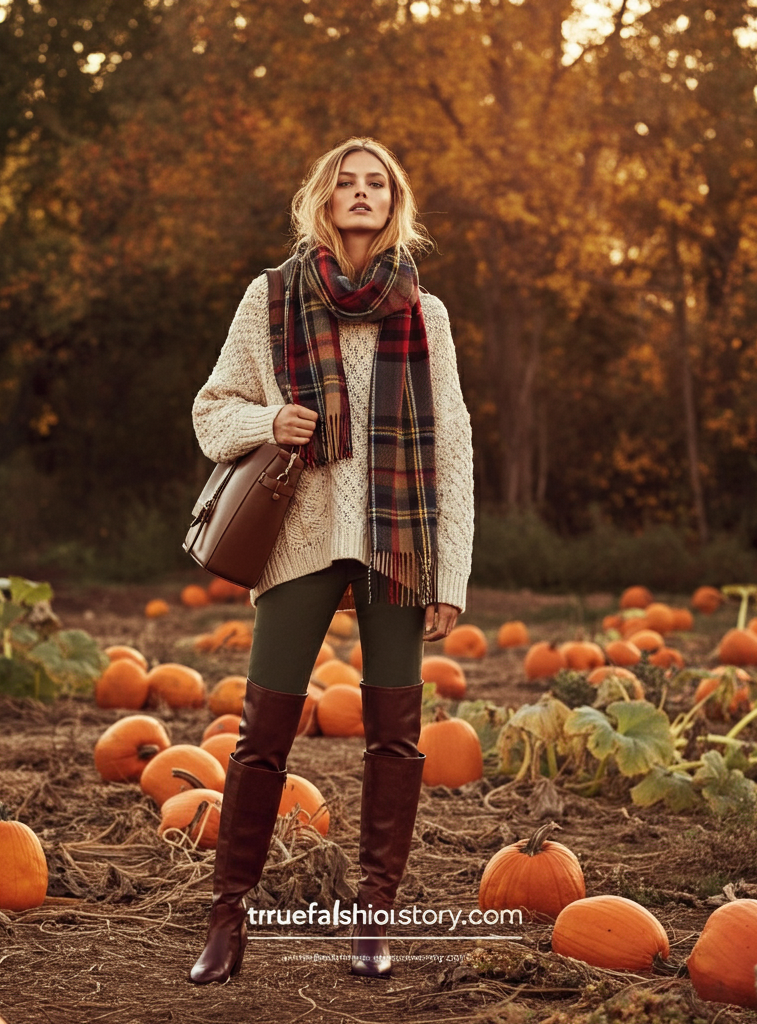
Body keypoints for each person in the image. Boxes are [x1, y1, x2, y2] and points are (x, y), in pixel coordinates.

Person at [189, 137, 474, 984]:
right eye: (344, 182)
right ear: (322, 198)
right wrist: (267, 423)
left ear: (395, 203)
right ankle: (227, 920)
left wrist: (449, 573)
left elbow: (453, 445)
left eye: (375, 182)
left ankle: (372, 921)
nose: (359, 193)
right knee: (261, 736)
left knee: (397, 739)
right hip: (299, 538)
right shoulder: (269, 297)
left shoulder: (426, 311)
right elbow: (213, 410)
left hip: (399, 542)